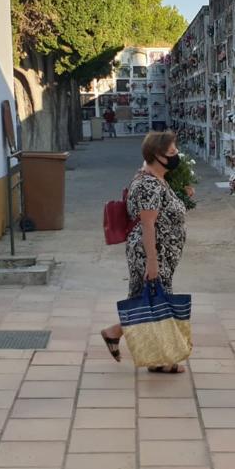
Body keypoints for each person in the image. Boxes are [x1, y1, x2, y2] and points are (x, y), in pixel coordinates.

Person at [101, 131, 191, 373]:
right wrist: (153, 263)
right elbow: (148, 224)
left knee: (150, 301)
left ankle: (117, 334)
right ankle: (162, 359)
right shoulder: (148, 184)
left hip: (161, 253)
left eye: (175, 152)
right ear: (156, 156)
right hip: (151, 252)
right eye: (171, 153)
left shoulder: (156, 178)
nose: (176, 157)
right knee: (157, 303)